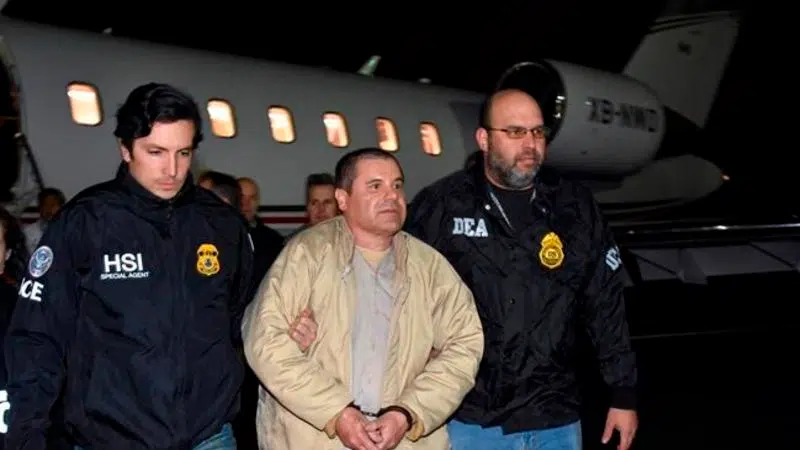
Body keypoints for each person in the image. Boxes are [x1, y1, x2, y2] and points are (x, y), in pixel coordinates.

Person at [4, 82, 254, 450]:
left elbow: (241, 321)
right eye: (156, 152)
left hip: (209, 438)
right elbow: (37, 337)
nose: (172, 169)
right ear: (125, 149)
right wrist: (26, 436)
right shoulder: (85, 223)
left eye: (183, 153)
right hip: (111, 439)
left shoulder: (222, 225)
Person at [403, 88, 639, 450]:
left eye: (537, 132)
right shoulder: (442, 206)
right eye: (515, 132)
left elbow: (605, 303)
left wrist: (623, 393)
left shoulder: (574, 208)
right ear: (484, 139)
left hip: (555, 416)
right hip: (469, 417)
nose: (530, 144)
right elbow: (398, 288)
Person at [242, 147, 484, 450]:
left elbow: (465, 344)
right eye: (375, 186)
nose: (391, 196)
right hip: (316, 440)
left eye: (397, 185)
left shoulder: (430, 267)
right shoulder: (307, 255)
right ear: (343, 199)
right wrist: (336, 412)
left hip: (402, 441)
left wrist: (408, 413)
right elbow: (264, 340)